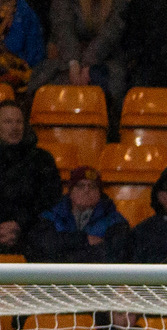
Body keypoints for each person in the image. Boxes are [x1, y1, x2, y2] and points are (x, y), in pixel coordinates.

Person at [29, 0, 128, 109]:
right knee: (48, 89)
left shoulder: (121, 3)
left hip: (106, 61)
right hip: (65, 60)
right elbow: (63, 28)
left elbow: (110, 34)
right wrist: (73, 63)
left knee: (108, 86)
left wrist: (88, 64)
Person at [25, 165, 129, 263]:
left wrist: (65, 254)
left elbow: (113, 256)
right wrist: (83, 240)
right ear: (70, 191)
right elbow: (41, 248)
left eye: (93, 186)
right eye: (80, 186)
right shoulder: (51, 216)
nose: (86, 190)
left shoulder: (115, 221)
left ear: (99, 193)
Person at [0, 99, 61, 257]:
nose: (15, 127)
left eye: (19, 122)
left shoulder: (42, 159)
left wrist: (19, 224)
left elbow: (50, 200)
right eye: (7, 122)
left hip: (30, 232)